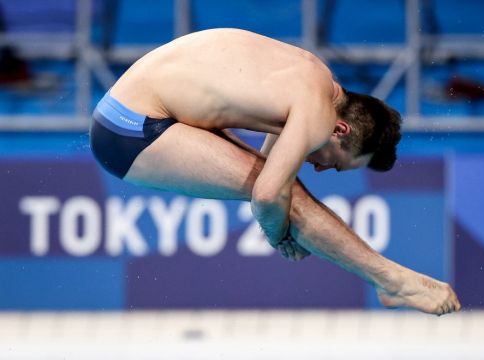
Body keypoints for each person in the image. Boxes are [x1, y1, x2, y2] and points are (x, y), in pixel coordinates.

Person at [90, 28, 461, 315]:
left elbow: (273, 175)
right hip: (129, 129)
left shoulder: (314, 74)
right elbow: (267, 195)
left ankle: (390, 280)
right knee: (288, 196)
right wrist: (278, 233)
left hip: (125, 111)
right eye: (335, 163)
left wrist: (278, 217)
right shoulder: (318, 113)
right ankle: (392, 281)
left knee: (284, 187)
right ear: (340, 129)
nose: (320, 167)